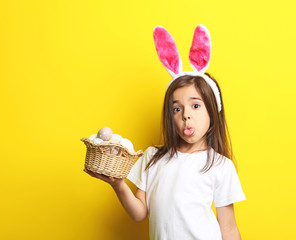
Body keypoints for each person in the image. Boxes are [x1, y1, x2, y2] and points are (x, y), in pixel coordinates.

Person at [84, 24, 246, 240]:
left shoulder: (220, 166)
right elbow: (139, 213)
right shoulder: (153, 157)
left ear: (212, 111)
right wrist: (118, 185)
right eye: (177, 109)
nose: (186, 115)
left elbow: (228, 228)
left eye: (195, 106)